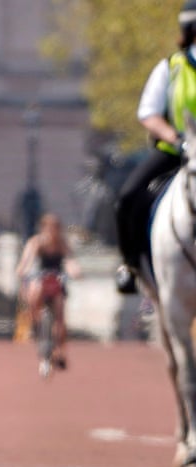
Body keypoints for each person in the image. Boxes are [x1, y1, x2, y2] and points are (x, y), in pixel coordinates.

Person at [113, 1, 196, 295]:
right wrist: (176, 139)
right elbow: (149, 112)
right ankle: (130, 265)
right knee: (127, 197)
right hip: (176, 152)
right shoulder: (170, 68)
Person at [16, 212, 80, 368]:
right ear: (43, 228)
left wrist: (75, 271)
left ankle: (60, 350)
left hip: (56, 279)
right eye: (50, 227)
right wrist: (22, 269)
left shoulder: (62, 243)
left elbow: (70, 261)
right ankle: (35, 324)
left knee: (60, 313)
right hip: (41, 277)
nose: (53, 231)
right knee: (34, 292)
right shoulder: (37, 242)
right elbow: (27, 259)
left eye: (56, 227)